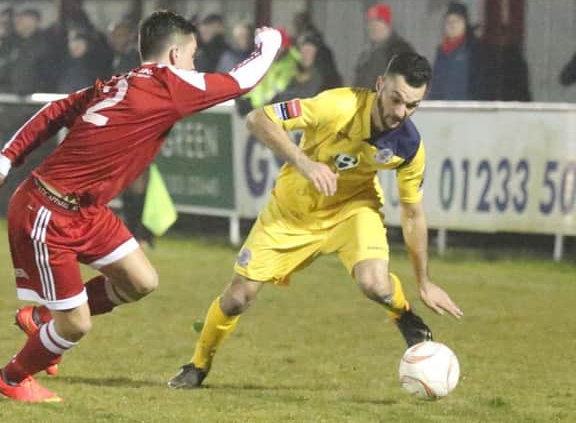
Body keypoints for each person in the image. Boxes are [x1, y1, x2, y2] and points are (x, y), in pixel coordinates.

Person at [0, 10, 281, 403]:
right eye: (193, 55)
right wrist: (271, 44)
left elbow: (57, 111)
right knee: (76, 326)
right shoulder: (169, 84)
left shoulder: (122, 81)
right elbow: (242, 80)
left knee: (140, 281)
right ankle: (12, 378)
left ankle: (42, 319)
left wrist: (4, 158)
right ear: (175, 54)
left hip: (86, 210)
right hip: (48, 210)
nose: (194, 64)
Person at [168, 52, 463, 389]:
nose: (400, 112)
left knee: (375, 284)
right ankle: (198, 363)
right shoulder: (336, 106)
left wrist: (424, 281)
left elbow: (413, 214)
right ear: (380, 85)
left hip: (352, 209)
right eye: (396, 99)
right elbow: (257, 118)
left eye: (412, 106)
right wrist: (304, 163)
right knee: (237, 298)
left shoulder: (409, 147)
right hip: (291, 213)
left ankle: (404, 314)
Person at [430, 2, 483, 100]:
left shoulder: (475, 50)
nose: (452, 25)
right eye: (448, 22)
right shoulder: (441, 51)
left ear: (465, 23)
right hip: (443, 110)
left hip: (466, 109)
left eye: (457, 21)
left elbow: (480, 85)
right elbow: (436, 85)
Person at [353, 3, 413, 89]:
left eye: (377, 22)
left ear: (387, 24)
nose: (372, 27)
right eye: (370, 23)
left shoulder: (401, 51)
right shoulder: (366, 54)